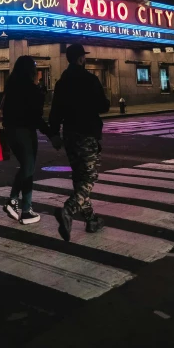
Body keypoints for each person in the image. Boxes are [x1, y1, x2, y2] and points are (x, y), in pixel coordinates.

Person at [50, 43, 110, 241]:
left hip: (69, 134)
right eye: (84, 56)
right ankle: (69, 209)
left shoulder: (62, 82)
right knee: (90, 177)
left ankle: (91, 219)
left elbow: (55, 111)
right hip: (87, 132)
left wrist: (54, 134)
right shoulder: (90, 79)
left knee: (78, 177)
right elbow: (103, 105)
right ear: (80, 59)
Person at [2, 55, 61, 225]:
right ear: (30, 70)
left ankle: (25, 207)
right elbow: (36, 117)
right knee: (28, 169)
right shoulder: (30, 89)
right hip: (26, 133)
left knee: (26, 168)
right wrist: (52, 135)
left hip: (11, 132)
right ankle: (17, 204)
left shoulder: (11, 87)